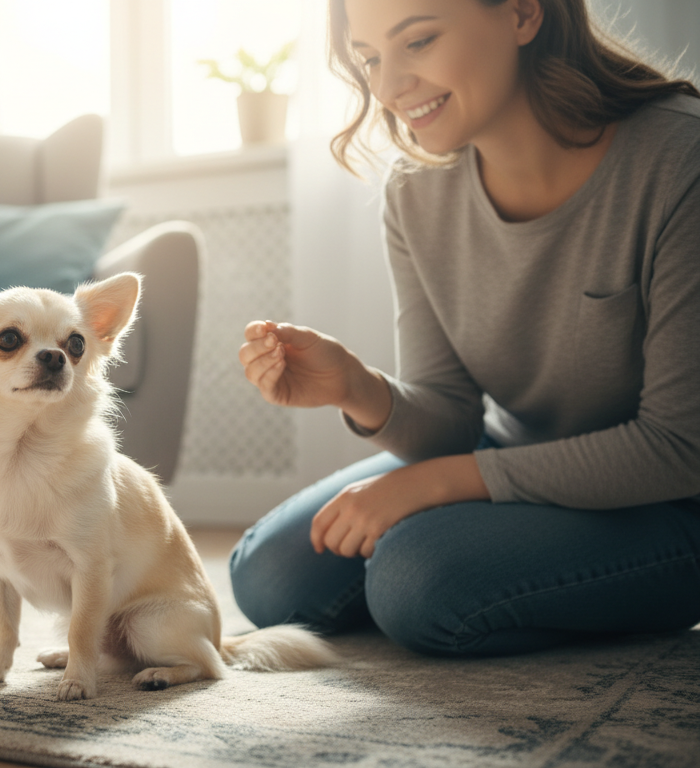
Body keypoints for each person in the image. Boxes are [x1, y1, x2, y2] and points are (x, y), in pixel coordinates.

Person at [228, 0, 700, 657]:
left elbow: (681, 445)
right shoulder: (416, 192)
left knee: (414, 582)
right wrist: (357, 387)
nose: (388, 88)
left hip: (669, 503)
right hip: (508, 459)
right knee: (270, 576)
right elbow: (451, 416)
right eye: (369, 59)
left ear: (523, 14)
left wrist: (437, 484)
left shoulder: (681, 160)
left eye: (417, 40)